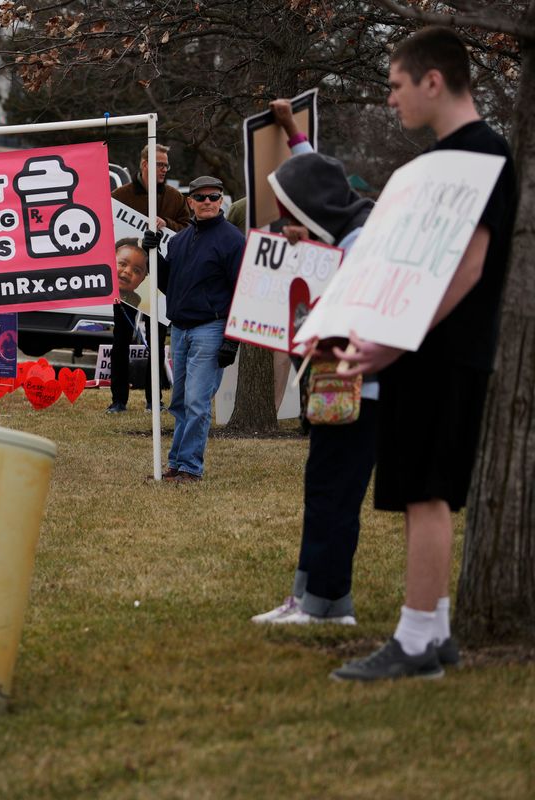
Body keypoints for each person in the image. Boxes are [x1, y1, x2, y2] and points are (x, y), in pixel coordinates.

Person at [330, 27, 517, 681]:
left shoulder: (484, 153)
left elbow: (468, 265)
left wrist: (396, 338)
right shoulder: (437, 161)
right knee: (413, 488)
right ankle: (432, 632)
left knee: (427, 493)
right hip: (419, 349)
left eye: (396, 85)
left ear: (432, 81)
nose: (391, 100)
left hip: (446, 349)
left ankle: (414, 645)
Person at [251, 99, 378, 626]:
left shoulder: (360, 244)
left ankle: (324, 604)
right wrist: (289, 128)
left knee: (332, 494)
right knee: (323, 488)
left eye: (291, 213)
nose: (288, 223)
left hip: (360, 390)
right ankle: (314, 597)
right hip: (341, 386)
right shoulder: (346, 217)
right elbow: (315, 171)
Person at [143, 177, 243, 483]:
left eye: (214, 196)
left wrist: (231, 340)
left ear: (222, 199)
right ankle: (176, 463)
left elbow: (242, 291)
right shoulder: (179, 240)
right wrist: (152, 257)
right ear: (191, 202)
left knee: (198, 403)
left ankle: (190, 467)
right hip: (181, 329)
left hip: (211, 329)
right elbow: (167, 284)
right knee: (180, 401)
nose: (208, 202)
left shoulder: (233, 240)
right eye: (201, 197)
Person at [110, 239, 168, 413]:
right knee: (120, 340)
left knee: (156, 343)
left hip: (159, 279)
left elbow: (182, 223)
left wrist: (165, 222)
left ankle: (154, 400)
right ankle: (118, 401)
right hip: (125, 290)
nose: (127, 271)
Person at [112, 144, 191, 234]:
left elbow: (188, 231)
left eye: (166, 166)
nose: (164, 170)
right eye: (160, 165)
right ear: (145, 164)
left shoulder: (176, 198)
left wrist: (166, 224)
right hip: (128, 247)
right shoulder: (118, 196)